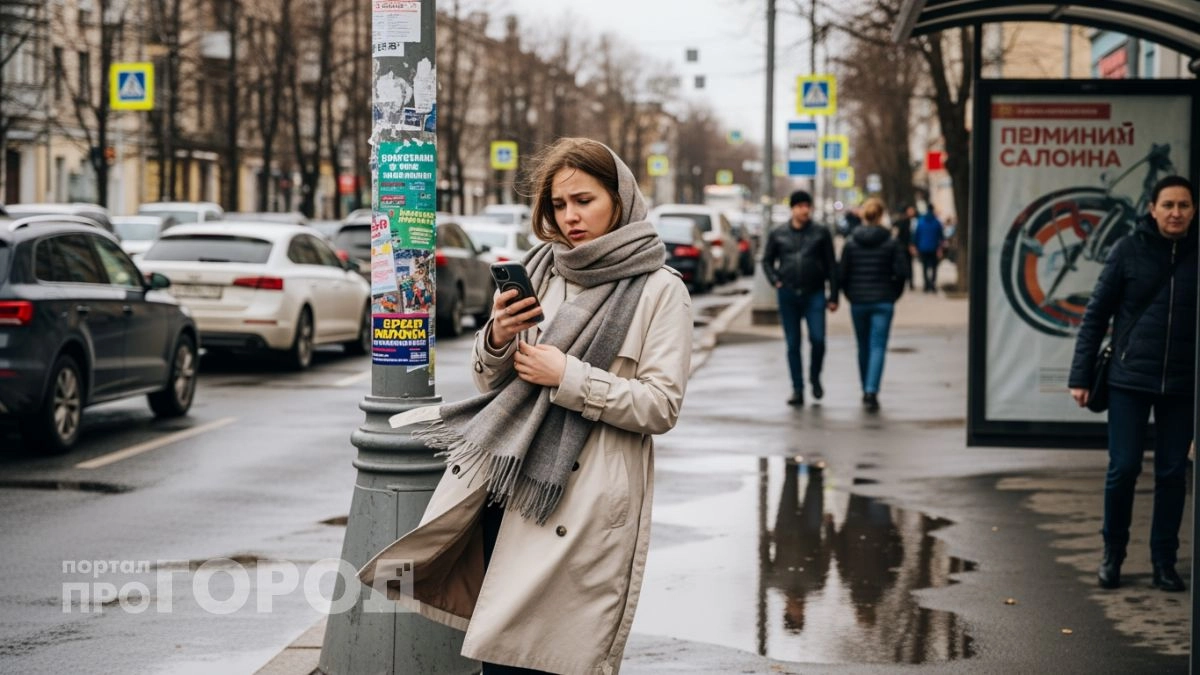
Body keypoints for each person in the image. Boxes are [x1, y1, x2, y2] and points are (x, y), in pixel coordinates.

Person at [358, 137, 693, 674]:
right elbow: (491, 380)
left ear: (620, 198)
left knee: (558, 659)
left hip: (578, 502)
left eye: (584, 200)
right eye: (559, 205)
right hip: (510, 491)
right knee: (504, 660)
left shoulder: (659, 289)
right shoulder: (542, 270)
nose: (570, 217)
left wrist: (569, 377)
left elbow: (660, 406)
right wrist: (497, 337)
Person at [1068, 175, 1197, 592]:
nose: (1176, 213)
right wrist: (1080, 376)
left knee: (1173, 473)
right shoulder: (1127, 250)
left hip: (1182, 383)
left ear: (1193, 211)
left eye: (1184, 205)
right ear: (1152, 209)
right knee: (1123, 468)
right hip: (1128, 379)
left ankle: (1164, 562)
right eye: (1168, 205)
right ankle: (1113, 554)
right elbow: (1095, 316)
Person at [761, 190, 839, 406]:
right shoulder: (778, 233)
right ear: (793, 209)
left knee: (818, 340)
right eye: (800, 206)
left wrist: (833, 295)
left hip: (814, 293)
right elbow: (767, 261)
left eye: (808, 205)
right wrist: (775, 280)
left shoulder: (821, 233)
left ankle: (815, 377)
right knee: (793, 344)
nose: (805, 210)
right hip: (787, 294)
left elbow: (832, 265)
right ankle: (797, 388)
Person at [838, 197, 908, 411]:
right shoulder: (891, 242)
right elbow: (902, 272)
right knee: (878, 346)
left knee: (863, 346)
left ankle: (865, 387)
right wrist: (893, 294)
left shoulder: (851, 242)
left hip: (858, 301)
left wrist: (850, 294)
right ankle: (871, 390)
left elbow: (843, 274)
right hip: (883, 301)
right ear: (881, 216)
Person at [912, 205, 944, 293]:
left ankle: (926, 285)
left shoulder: (921, 222)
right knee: (934, 267)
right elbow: (941, 236)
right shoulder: (937, 222)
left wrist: (915, 246)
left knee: (924, 267)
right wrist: (940, 248)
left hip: (923, 248)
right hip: (934, 247)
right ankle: (933, 285)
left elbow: (916, 235)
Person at [892, 205, 917, 290]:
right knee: (908, 265)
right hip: (904, 247)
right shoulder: (907, 222)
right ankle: (909, 281)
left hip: (903, 247)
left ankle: (908, 281)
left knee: (906, 264)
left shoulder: (900, 222)